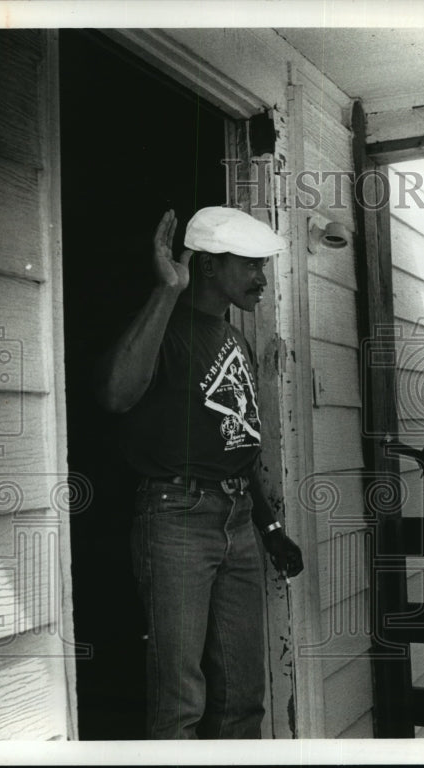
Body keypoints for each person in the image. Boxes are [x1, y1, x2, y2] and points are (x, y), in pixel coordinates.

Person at [96, 206, 304, 739]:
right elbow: (116, 395)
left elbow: (236, 444)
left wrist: (270, 526)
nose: (262, 278)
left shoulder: (233, 337)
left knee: (243, 697)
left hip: (237, 520)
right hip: (176, 518)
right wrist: (167, 291)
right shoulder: (163, 326)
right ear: (209, 267)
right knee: (180, 698)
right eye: (250, 265)